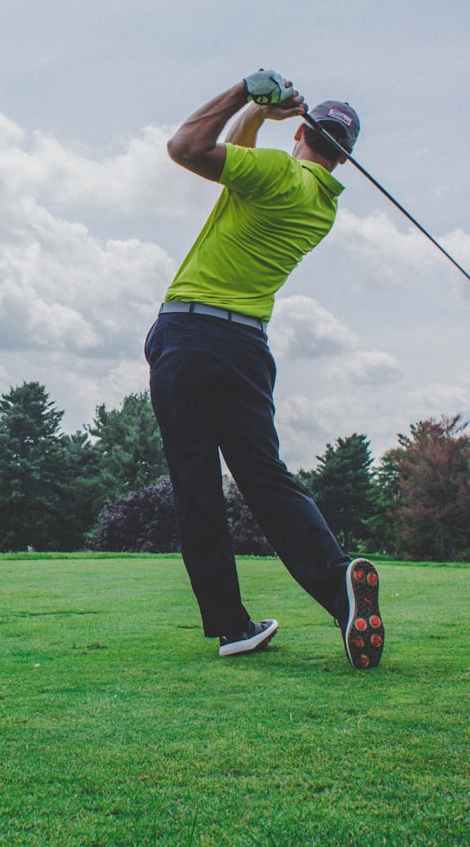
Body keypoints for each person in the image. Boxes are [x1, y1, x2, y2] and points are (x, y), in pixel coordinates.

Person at [145, 69, 384, 668]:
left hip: (192, 336)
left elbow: (187, 148)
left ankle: (232, 626)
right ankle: (339, 588)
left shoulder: (277, 174)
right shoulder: (319, 202)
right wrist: (260, 116)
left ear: (301, 131)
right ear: (345, 160)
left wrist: (241, 93)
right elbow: (241, 158)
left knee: (197, 486)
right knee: (268, 480)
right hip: (248, 349)